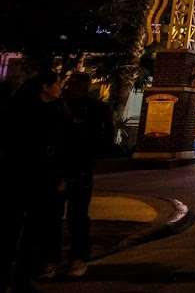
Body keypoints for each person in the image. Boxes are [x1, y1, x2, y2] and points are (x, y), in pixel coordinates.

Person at [11, 70, 69, 285]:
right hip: (30, 176)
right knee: (28, 226)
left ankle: (27, 272)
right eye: (57, 84)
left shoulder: (57, 110)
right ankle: (21, 272)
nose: (60, 88)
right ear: (45, 87)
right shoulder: (26, 112)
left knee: (35, 226)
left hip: (42, 177)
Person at [61, 74, 113, 277]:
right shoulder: (60, 107)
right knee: (64, 215)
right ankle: (62, 259)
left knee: (76, 215)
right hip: (63, 168)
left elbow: (105, 138)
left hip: (78, 167)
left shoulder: (94, 109)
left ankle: (76, 258)